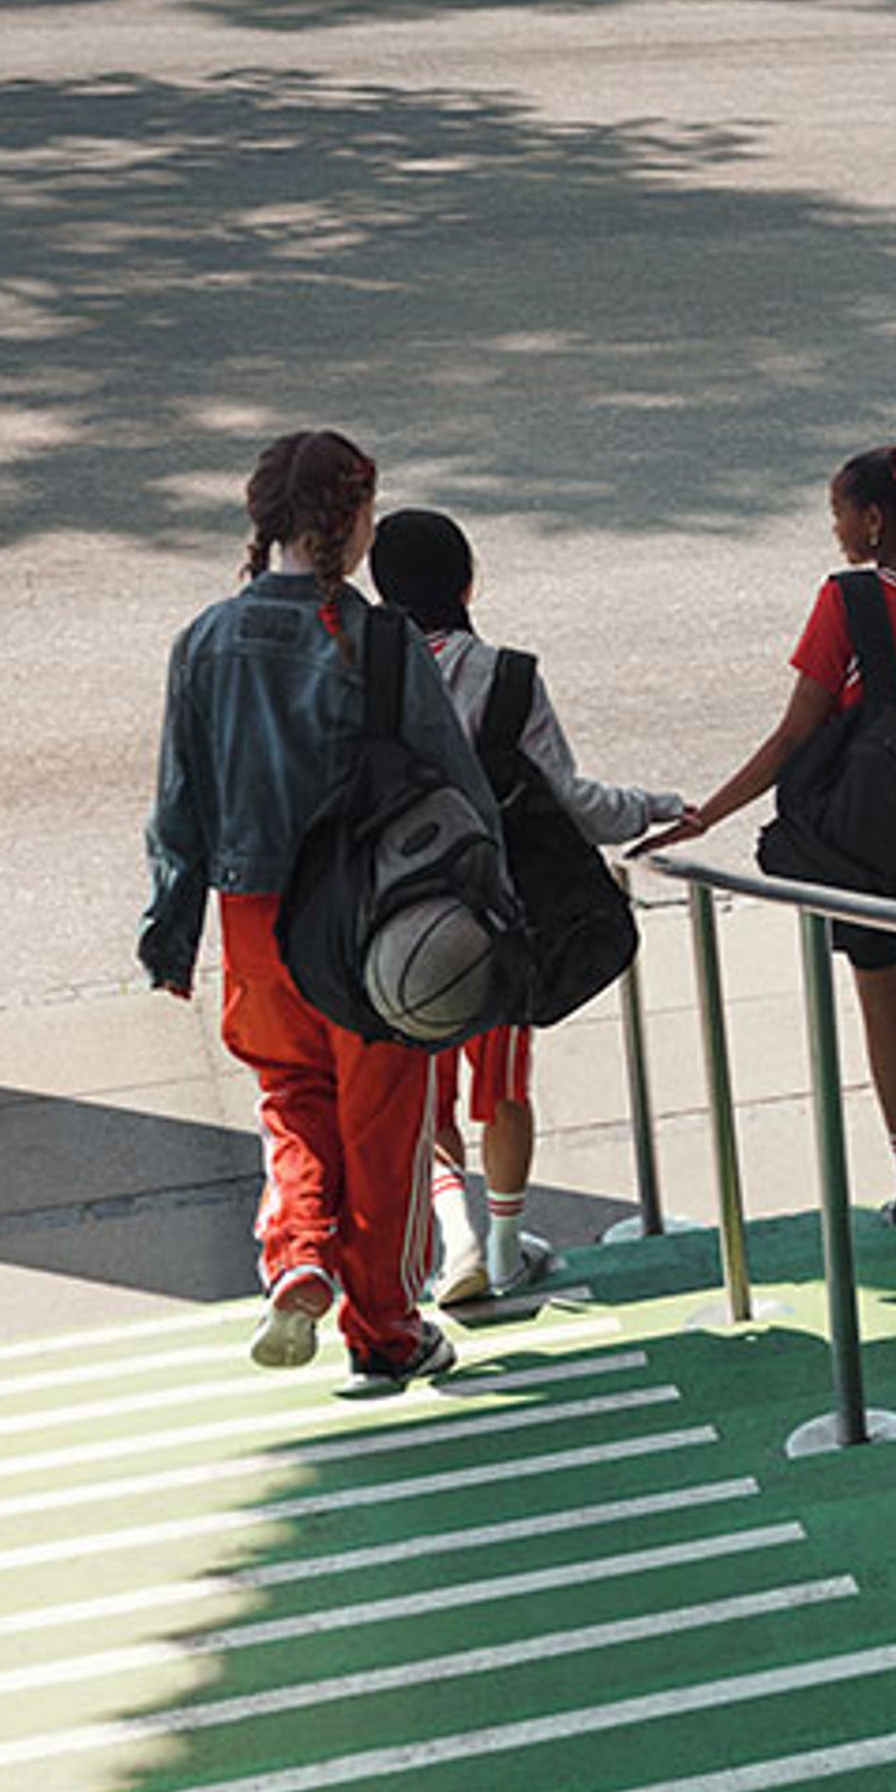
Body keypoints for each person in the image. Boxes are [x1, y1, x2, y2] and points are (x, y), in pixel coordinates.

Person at [141, 428, 502, 1397]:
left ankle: (297, 1255)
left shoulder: (205, 641)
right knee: (384, 1127)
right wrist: (496, 905)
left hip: (255, 923)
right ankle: (385, 1328)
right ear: (351, 521)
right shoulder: (383, 640)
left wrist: (171, 935)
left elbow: (178, 807)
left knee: (291, 1101)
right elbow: (456, 784)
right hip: (374, 924)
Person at [645, 441, 896, 1226]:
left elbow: (794, 736)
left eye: (840, 511)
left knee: (888, 1009)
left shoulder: (848, 602)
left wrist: (708, 812)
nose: (836, 526)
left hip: (873, 847)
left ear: (873, 519)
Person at [365, 506, 688, 1304]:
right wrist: (654, 806)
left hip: (399, 924)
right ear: (469, 582)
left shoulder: (361, 678)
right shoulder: (506, 678)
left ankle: (458, 1242)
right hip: (501, 919)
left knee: (426, 1088)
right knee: (503, 1088)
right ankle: (507, 1245)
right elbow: (574, 801)